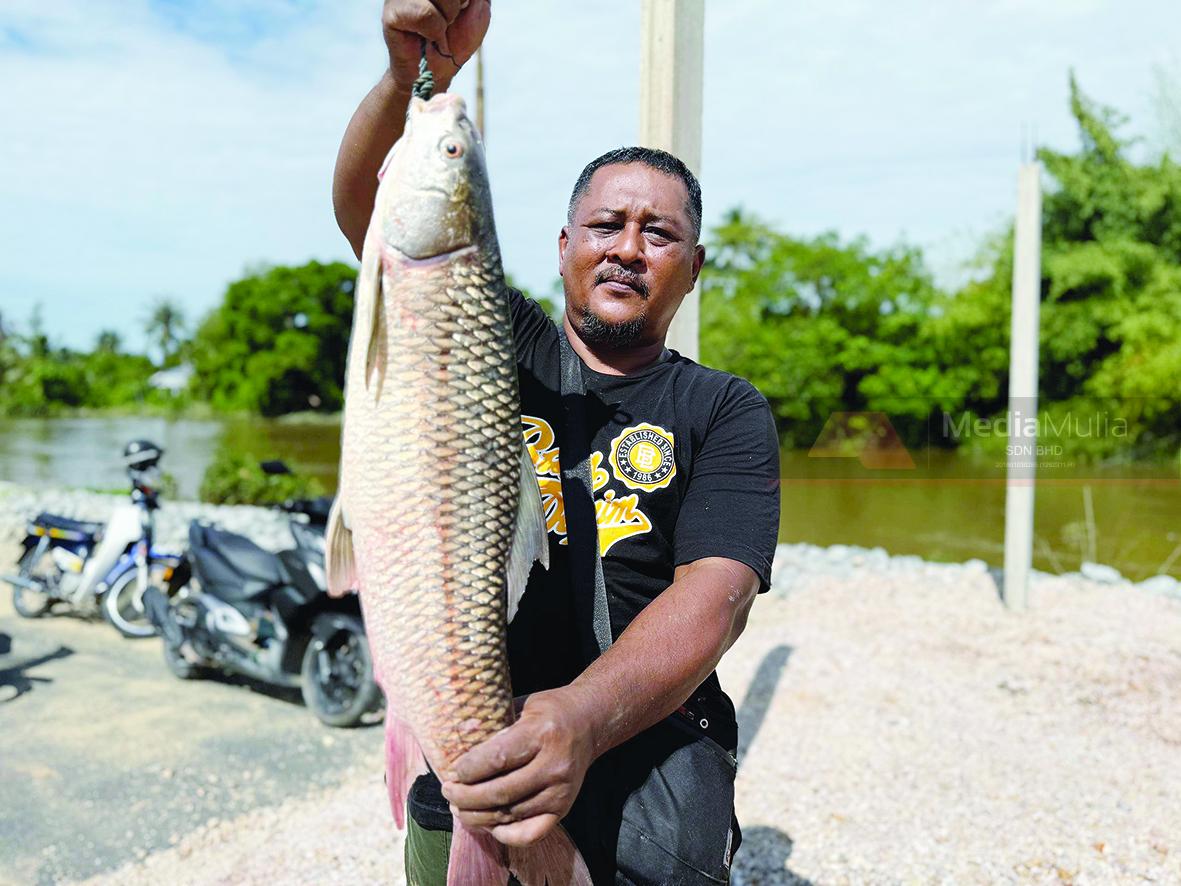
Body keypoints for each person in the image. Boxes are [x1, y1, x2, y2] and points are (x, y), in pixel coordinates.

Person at [333, 2, 780, 882]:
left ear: (693, 266)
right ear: (564, 244)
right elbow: (364, 206)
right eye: (607, 225)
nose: (628, 248)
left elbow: (717, 598)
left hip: (647, 733)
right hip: (476, 717)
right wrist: (408, 81)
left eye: (660, 234)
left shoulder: (724, 408)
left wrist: (576, 719)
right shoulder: (487, 336)